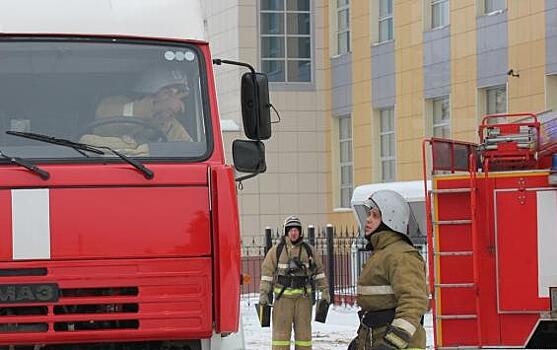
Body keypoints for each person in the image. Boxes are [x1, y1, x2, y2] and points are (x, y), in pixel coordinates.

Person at [349, 190, 428, 350]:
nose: (368, 219)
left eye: (375, 215)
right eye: (369, 214)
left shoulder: (401, 254)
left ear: (392, 219)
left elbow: (413, 302)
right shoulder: (382, 253)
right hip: (376, 339)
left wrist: (394, 342)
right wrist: (360, 340)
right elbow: (377, 304)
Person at [80, 66, 192, 154]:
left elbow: (189, 150)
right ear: (147, 92)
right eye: (167, 93)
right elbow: (105, 118)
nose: (175, 102)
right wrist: (155, 107)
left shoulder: (171, 124)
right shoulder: (113, 104)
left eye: (178, 95)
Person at [259, 216, 329, 350]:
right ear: (286, 232)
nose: (293, 233)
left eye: (296, 230)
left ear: (300, 232)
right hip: (282, 301)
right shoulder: (277, 251)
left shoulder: (309, 251)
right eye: (290, 230)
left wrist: (324, 292)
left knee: (304, 338)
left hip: (303, 301)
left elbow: (319, 273)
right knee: (280, 338)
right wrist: (263, 294)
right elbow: (267, 274)